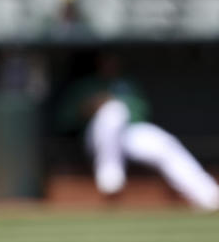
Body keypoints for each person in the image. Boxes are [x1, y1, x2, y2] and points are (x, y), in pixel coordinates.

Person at [57, 52, 219, 212]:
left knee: (164, 143)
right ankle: (110, 181)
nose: (110, 64)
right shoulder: (85, 86)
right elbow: (67, 119)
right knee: (112, 112)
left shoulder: (128, 83)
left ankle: (209, 196)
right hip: (96, 137)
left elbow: (142, 111)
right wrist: (91, 106)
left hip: (129, 133)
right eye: (105, 60)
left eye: (113, 60)